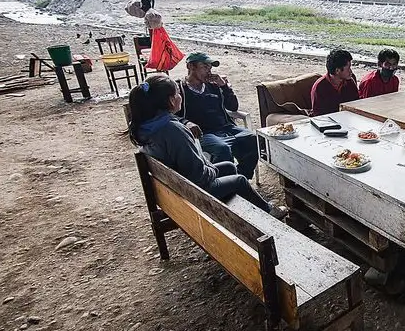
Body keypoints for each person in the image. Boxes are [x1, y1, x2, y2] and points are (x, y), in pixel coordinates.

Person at [127, 76, 284, 218]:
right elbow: (198, 175)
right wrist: (212, 170)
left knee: (229, 166)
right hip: (191, 191)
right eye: (177, 94)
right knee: (240, 180)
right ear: (170, 100)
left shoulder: (145, 127)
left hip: (174, 185)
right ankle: (268, 212)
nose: (180, 96)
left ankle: (243, 209)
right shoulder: (172, 130)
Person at [175, 52, 258, 180]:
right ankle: (226, 182)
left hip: (226, 127)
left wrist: (224, 86)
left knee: (253, 138)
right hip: (203, 133)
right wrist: (186, 122)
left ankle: (240, 178)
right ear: (191, 66)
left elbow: (233, 107)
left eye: (210, 68)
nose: (209, 71)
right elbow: (170, 115)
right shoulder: (179, 89)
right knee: (222, 148)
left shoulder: (213, 86)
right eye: (204, 67)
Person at [311, 49, 359, 116]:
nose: (351, 71)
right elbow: (319, 116)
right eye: (348, 68)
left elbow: (356, 105)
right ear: (337, 70)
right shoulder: (320, 87)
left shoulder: (350, 82)